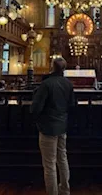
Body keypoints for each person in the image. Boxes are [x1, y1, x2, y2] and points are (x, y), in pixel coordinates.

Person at [31, 57, 74, 195]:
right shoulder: (68, 84)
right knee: (62, 158)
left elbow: (36, 108)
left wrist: (38, 119)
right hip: (62, 126)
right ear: (64, 68)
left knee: (49, 164)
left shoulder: (46, 84)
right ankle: (65, 190)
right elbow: (71, 105)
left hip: (48, 127)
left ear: (52, 67)